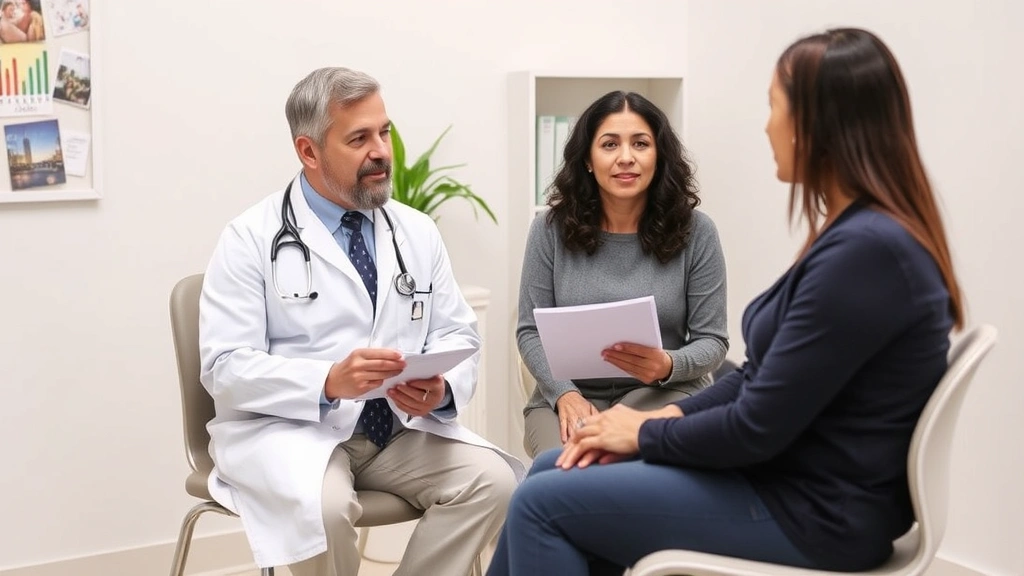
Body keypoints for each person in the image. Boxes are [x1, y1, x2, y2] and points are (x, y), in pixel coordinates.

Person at [488, 26, 965, 575]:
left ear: (818, 123)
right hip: (788, 482)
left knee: (541, 502)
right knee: (552, 468)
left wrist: (645, 428)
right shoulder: (858, 238)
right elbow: (755, 380)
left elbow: (757, 425)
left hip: (811, 510)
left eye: (774, 106)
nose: (767, 125)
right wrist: (659, 419)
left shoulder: (867, 254)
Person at [199, 67, 524, 576]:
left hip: (394, 430)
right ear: (309, 152)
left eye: (384, 132)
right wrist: (328, 381)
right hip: (295, 430)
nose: (381, 151)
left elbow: (457, 332)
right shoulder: (249, 239)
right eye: (359, 139)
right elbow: (224, 367)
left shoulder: (415, 232)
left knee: (493, 482)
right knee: (325, 509)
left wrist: (441, 391)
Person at [518, 90, 729, 458]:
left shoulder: (698, 231)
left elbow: (713, 341)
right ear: (588, 158)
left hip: (665, 391)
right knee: (561, 474)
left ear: (659, 155)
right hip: (571, 396)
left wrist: (668, 364)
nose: (626, 158)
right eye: (610, 144)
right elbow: (529, 331)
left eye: (641, 144)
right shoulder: (548, 230)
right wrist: (564, 393)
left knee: (638, 471)